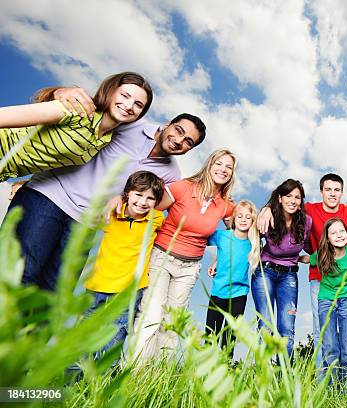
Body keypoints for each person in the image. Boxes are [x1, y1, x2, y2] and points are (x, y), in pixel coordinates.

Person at [7, 90, 206, 291]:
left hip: (86, 223)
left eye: (188, 141)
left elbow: (145, 207)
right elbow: (76, 129)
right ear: (168, 124)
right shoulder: (130, 125)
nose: (179, 140)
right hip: (50, 197)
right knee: (18, 274)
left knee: (55, 293)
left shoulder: (171, 174)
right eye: (179, 130)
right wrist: (61, 92)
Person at [132, 149, 236, 361]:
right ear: (209, 164)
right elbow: (150, 211)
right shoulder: (183, 187)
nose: (223, 170)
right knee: (151, 315)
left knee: (172, 322)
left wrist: (218, 257)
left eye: (229, 167)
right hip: (162, 258)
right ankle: (135, 371)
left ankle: (158, 377)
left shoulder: (225, 204)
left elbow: (235, 233)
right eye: (219, 163)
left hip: (189, 267)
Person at [256, 173, 347, 371]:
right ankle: (322, 378)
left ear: (342, 192)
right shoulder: (309, 211)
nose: (332, 194)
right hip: (318, 280)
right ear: (321, 191)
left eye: (337, 190)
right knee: (321, 332)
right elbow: (284, 204)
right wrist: (265, 209)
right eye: (328, 189)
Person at [0, 72, 153, 182]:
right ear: (111, 92)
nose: (129, 106)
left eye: (138, 104)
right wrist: (60, 91)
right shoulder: (77, 109)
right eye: (125, 96)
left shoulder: (105, 139)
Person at [83, 171, 165, 360]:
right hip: (97, 284)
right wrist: (116, 199)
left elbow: (170, 195)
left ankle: (103, 382)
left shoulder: (156, 218)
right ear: (128, 193)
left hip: (129, 289)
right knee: (85, 333)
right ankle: (74, 379)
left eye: (150, 198)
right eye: (138, 194)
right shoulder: (111, 212)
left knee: (116, 336)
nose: (143, 202)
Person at [251, 179, 312, 360]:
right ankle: (264, 376)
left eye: (297, 197)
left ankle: (284, 376)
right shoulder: (268, 217)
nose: (293, 200)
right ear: (279, 198)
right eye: (288, 196)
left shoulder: (306, 222)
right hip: (265, 272)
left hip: (289, 276)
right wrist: (264, 210)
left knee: (287, 327)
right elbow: (244, 234)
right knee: (265, 325)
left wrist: (309, 258)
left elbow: (311, 247)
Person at [305, 218, 347, 387]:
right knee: (330, 345)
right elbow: (306, 259)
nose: (338, 235)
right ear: (327, 238)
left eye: (341, 231)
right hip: (326, 301)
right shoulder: (321, 254)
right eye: (333, 233)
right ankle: (331, 389)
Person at [205, 200, 260, 359]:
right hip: (218, 291)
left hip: (239, 294)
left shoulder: (253, 243)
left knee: (230, 335)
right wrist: (215, 261)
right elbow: (202, 238)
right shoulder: (222, 236)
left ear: (253, 220)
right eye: (240, 216)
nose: (243, 220)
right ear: (233, 219)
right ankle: (205, 370)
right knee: (211, 332)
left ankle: (226, 368)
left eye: (248, 217)